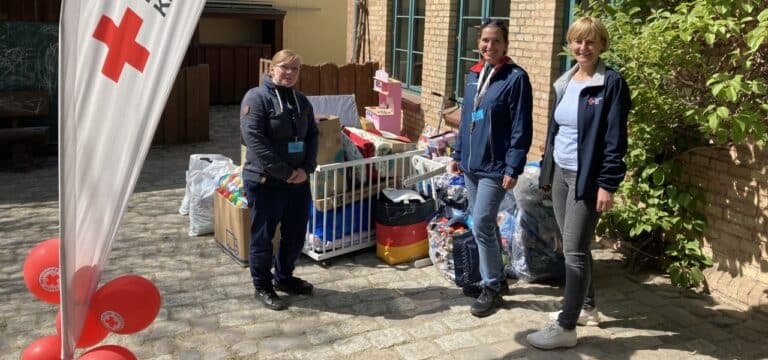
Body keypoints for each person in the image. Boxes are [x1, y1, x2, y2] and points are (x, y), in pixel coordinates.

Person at [527, 16, 631, 349]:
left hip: (587, 178)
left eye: (590, 41)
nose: (583, 48)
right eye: (577, 41)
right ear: (570, 44)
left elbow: (615, 140)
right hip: (560, 173)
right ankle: (586, 307)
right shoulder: (566, 81)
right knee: (575, 246)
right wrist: (547, 171)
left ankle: (566, 327)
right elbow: (556, 131)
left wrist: (608, 184)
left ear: (602, 45)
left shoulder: (611, 84)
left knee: (572, 251)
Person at [449, 19, 533, 318]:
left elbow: (521, 128)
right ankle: (495, 275)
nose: (489, 46)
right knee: (482, 222)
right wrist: (458, 152)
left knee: (482, 222)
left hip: (496, 167)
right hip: (472, 164)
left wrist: (513, 166)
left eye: (496, 41)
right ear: (478, 43)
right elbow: (466, 118)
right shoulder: (474, 75)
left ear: (506, 45)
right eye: (485, 40)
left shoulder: (515, 78)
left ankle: (492, 286)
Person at [240, 49, 319, 311]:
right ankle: (262, 286)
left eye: (295, 69)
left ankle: (284, 277)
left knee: (295, 234)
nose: (289, 73)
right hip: (266, 182)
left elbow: (313, 136)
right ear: (272, 68)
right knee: (263, 237)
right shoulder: (257, 97)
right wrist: (285, 172)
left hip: (298, 183)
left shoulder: (301, 101)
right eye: (284, 67)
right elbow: (255, 141)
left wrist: (306, 168)